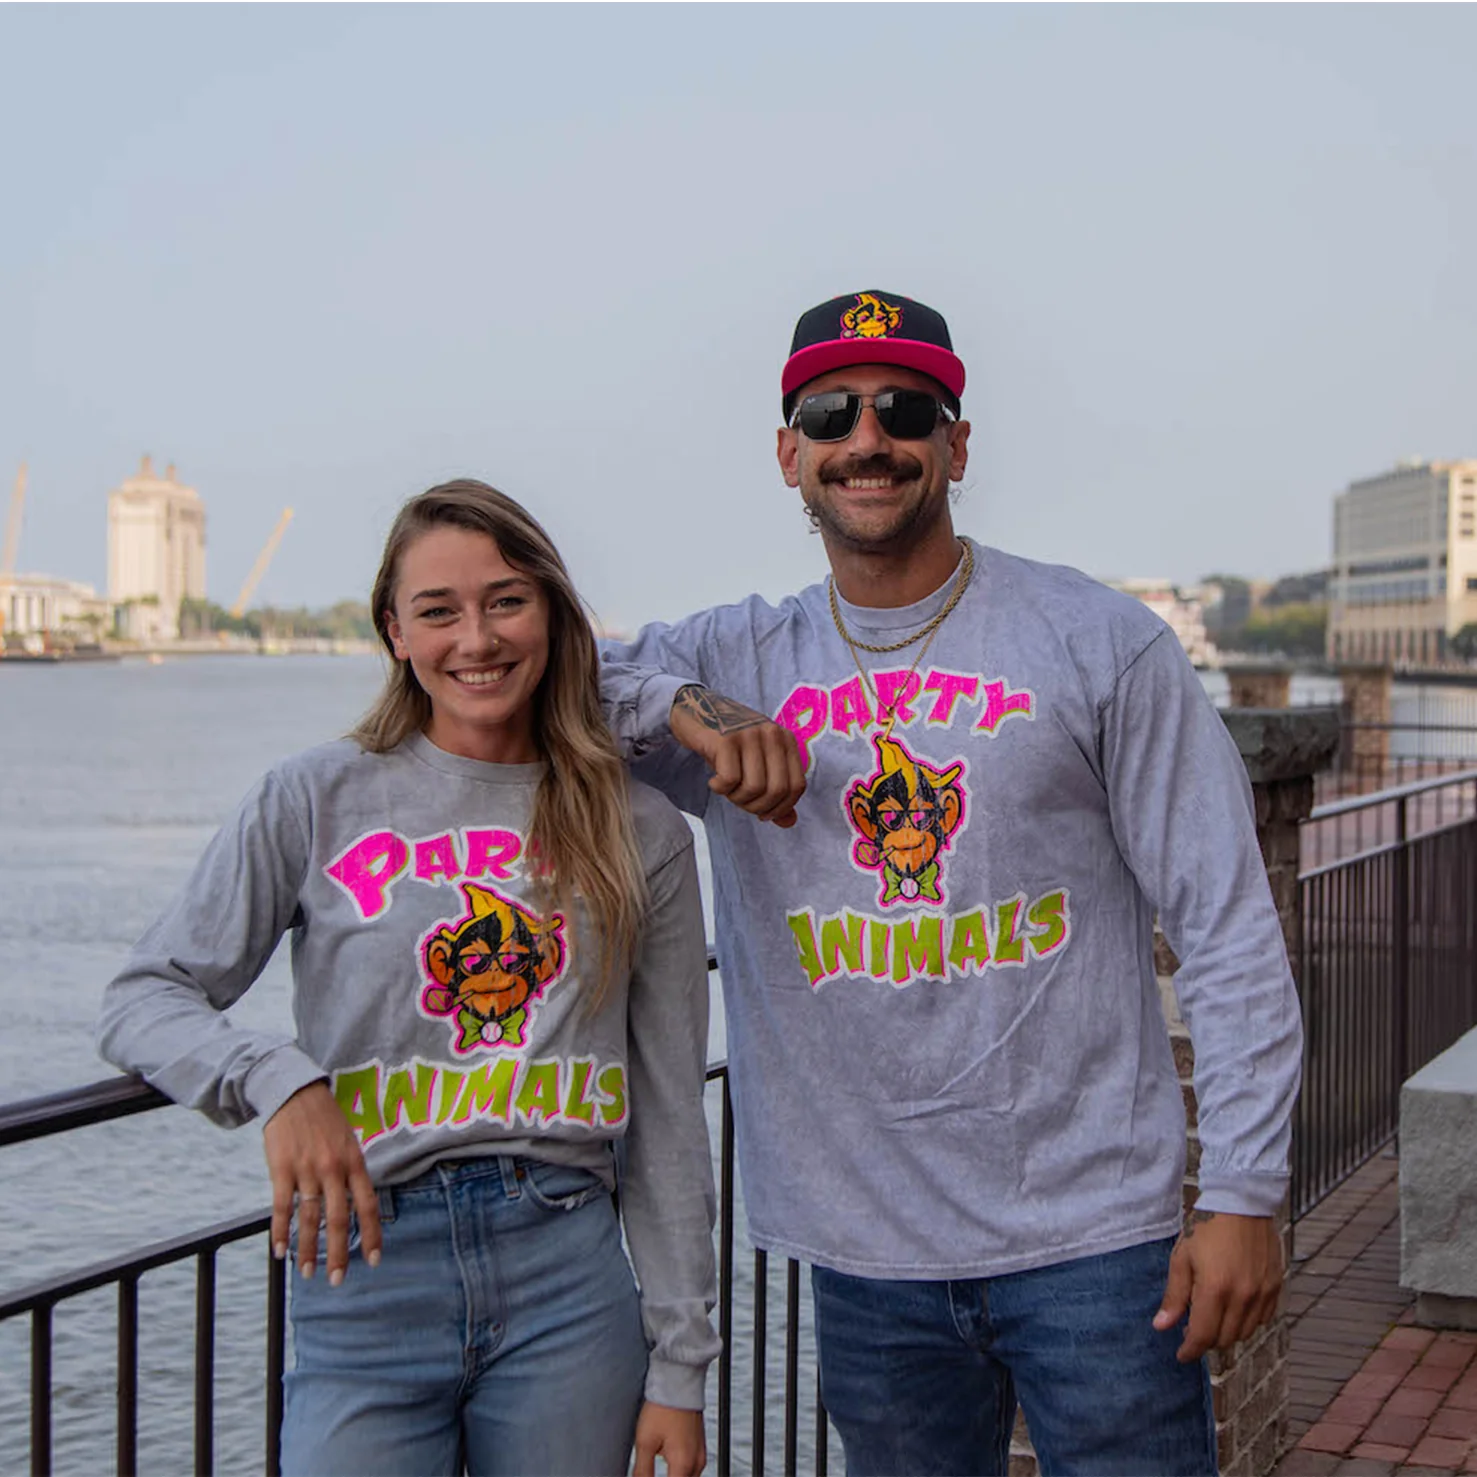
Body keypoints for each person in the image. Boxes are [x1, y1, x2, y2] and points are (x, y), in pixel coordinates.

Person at [599, 291, 1303, 1476]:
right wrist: (689, 707)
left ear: (957, 444)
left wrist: (1243, 1192)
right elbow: (544, 671)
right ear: (789, 453)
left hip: (1094, 1238)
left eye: (905, 408)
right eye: (830, 414)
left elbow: (1226, 921)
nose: (867, 438)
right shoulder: (734, 654)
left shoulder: (1099, 641)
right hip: (865, 1255)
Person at [97, 480, 719, 1477]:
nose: (476, 638)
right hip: (365, 1263)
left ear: (551, 614)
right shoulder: (313, 797)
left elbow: (669, 1116)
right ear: (394, 632)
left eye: (506, 601)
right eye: (438, 610)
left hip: (566, 1271)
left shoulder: (639, 828)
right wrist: (280, 1080)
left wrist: (681, 1365)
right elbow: (145, 996)